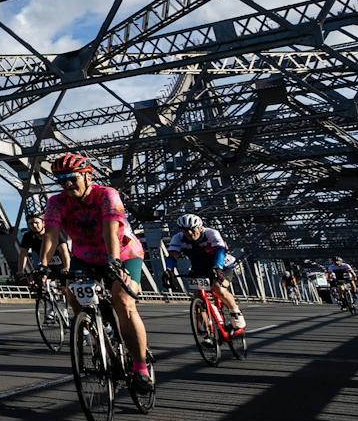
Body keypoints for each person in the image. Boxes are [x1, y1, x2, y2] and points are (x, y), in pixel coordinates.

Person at [38, 153, 153, 387]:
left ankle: (141, 368)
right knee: (72, 293)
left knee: (123, 302)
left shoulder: (107, 195)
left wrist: (114, 262)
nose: (67, 184)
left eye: (72, 178)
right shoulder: (56, 202)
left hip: (122, 253)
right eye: (61, 181)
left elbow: (111, 231)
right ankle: (96, 331)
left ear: (88, 176)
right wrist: (42, 266)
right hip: (86, 256)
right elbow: (50, 234)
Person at [166, 213, 245, 333]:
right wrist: (169, 271)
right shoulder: (178, 238)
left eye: (192, 230)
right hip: (200, 267)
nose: (190, 233)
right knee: (198, 296)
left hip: (222, 264)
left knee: (218, 288)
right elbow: (172, 256)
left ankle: (236, 314)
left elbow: (220, 250)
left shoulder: (211, 233)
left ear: (200, 227)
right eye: (185, 231)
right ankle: (207, 330)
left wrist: (218, 268)